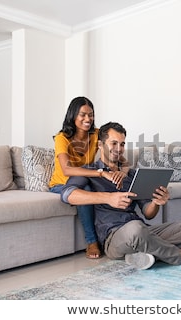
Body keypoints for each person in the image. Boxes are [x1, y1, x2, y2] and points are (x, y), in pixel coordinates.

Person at [60, 121, 181, 270]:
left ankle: (144, 253)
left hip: (143, 230)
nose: (119, 148)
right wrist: (108, 198)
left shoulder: (130, 174)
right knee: (135, 231)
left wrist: (156, 202)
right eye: (113, 143)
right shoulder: (89, 171)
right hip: (114, 238)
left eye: (122, 144)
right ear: (101, 145)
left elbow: (148, 214)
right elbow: (67, 195)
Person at [49, 97, 129, 259]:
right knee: (85, 189)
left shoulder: (96, 135)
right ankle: (92, 241)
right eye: (83, 115)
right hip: (62, 183)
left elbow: (123, 160)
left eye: (91, 115)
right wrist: (101, 173)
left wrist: (124, 172)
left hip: (87, 178)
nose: (88, 119)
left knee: (99, 186)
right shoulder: (61, 138)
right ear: (73, 115)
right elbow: (67, 169)